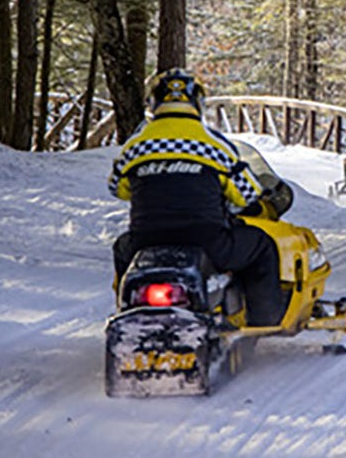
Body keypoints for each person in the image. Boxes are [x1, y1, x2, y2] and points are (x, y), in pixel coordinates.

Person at [108, 68, 283, 326]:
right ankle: (264, 320)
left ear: (154, 102)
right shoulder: (213, 144)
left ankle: (128, 310)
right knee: (262, 245)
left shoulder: (136, 145)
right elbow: (248, 194)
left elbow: (117, 188)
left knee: (122, 250)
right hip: (206, 240)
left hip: (146, 241)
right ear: (197, 103)